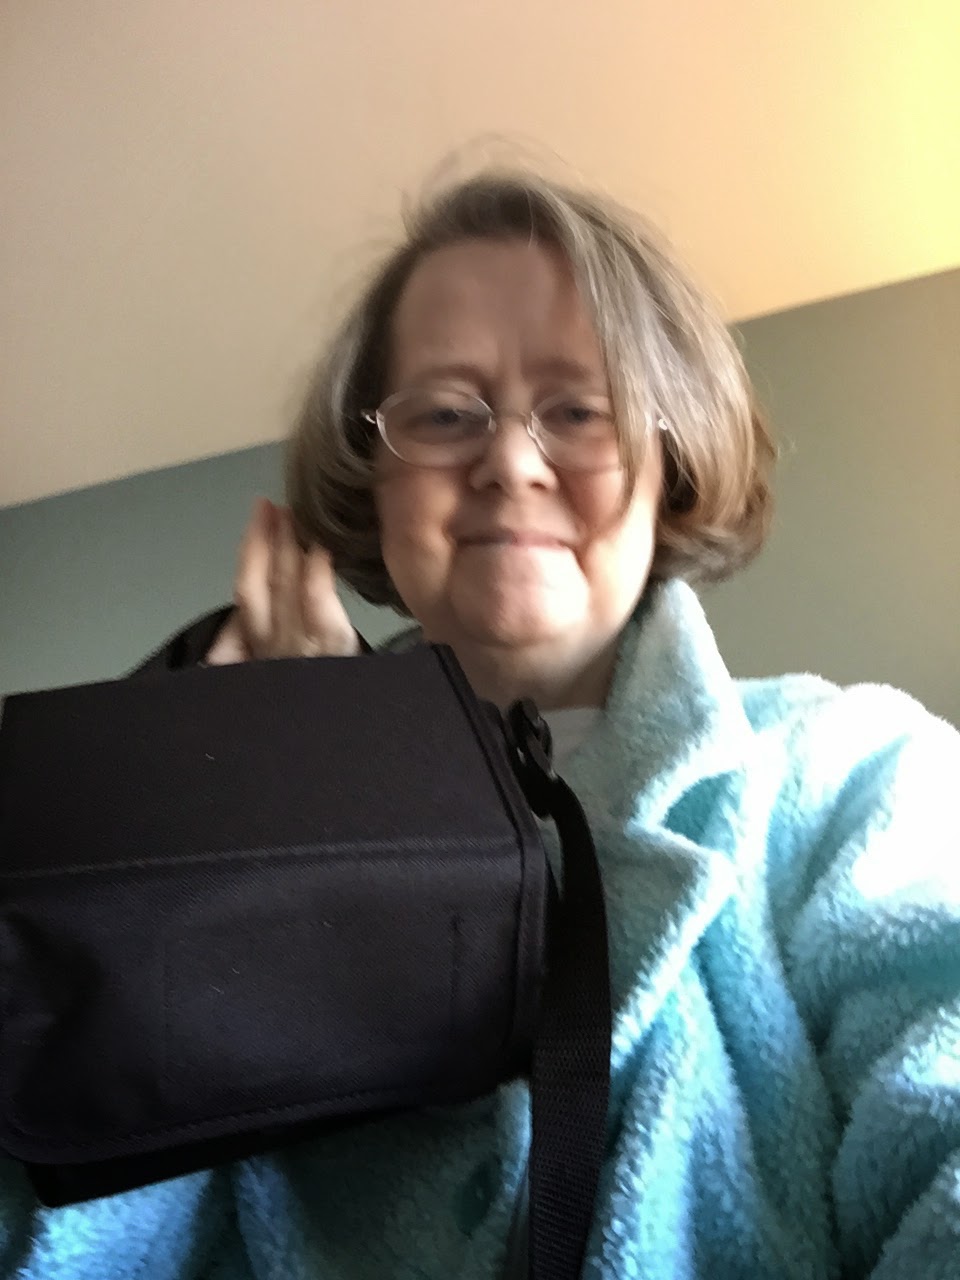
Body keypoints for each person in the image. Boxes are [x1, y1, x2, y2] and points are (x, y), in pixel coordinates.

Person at [7, 170, 960, 1279]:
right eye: (446, 414)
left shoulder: (856, 769)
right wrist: (271, 803)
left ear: (670, 461)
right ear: (375, 479)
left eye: (579, 410)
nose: (510, 461)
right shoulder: (205, 808)